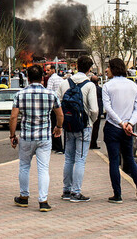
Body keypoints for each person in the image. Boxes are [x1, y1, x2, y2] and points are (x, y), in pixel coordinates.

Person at [9, 64, 63, 212]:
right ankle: (43, 201)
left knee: (24, 166)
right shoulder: (51, 95)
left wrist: (12, 135)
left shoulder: (20, 95)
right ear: (42, 78)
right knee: (43, 169)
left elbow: (14, 117)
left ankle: (24, 197)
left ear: (27, 78)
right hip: (44, 137)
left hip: (26, 136)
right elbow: (60, 114)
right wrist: (58, 127)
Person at [102, 58, 137, 204]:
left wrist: (120, 123)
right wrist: (130, 123)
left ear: (113, 69)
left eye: (108, 67)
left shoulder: (107, 86)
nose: (106, 70)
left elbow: (108, 108)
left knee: (114, 161)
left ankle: (117, 194)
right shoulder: (133, 86)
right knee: (129, 159)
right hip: (128, 129)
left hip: (113, 127)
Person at [59, 55, 98, 203]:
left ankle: (66, 190)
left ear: (75, 66)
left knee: (68, 158)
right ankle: (76, 192)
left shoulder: (65, 83)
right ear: (89, 69)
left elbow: (58, 102)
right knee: (80, 159)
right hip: (83, 127)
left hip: (68, 126)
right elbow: (94, 110)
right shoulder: (89, 85)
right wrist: (91, 122)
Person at [46, 65, 64, 154]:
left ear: (53, 70)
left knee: (54, 125)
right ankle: (57, 145)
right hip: (60, 105)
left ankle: (58, 146)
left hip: (53, 106)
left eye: (48, 70)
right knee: (59, 124)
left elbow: (48, 92)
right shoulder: (61, 79)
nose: (47, 72)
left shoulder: (51, 79)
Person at [89, 75, 103, 150]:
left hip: (90, 110)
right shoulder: (100, 89)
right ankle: (93, 143)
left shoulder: (89, 89)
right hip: (98, 110)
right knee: (96, 128)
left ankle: (88, 142)